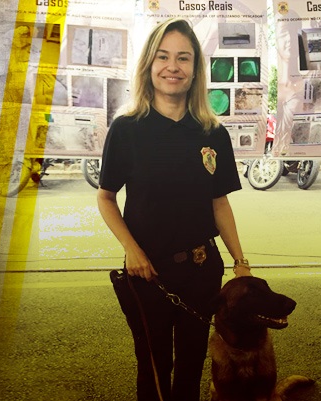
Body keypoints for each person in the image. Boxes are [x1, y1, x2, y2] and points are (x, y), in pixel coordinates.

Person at [96, 17, 252, 401]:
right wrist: (132, 250)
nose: (173, 67)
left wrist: (240, 262)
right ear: (149, 65)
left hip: (201, 271)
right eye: (163, 57)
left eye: (183, 58)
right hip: (147, 273)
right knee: (154, 366)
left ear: (195, 69)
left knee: (191, 364)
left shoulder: (212, 132)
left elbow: (219, 202)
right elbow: (106, 197)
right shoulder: (127, 129)